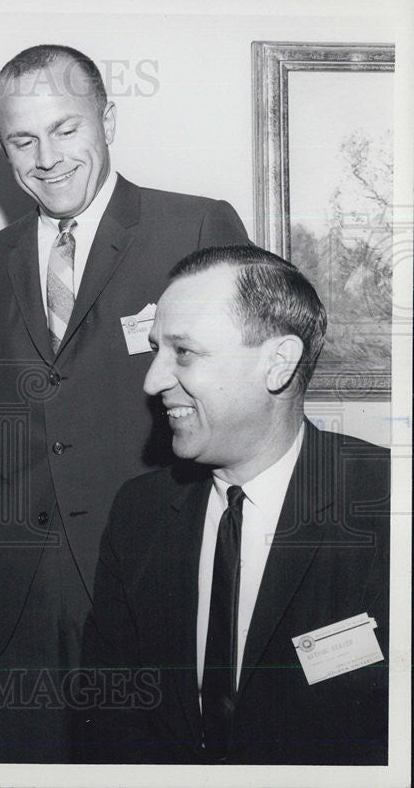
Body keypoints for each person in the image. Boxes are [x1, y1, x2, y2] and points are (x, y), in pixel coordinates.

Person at [0, 44, 250, 761]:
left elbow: (241, 409)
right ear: (3, 148)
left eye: (65, 129)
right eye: (22, 139)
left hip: (159, 585)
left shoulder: (197, 229)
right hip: (20, 606)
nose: (46, 157)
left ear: (107, 119)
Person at [82, 245, 390, 764]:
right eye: (156, 349)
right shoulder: (139, 514)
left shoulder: (388, 504)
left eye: (183, 352)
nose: (152, 381)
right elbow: (109, 723)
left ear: (278, 363)